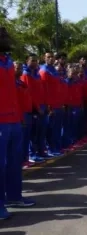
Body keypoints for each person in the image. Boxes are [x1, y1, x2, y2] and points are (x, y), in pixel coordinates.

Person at [0, 27, 35, 220]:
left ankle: (14, 197)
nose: (6, 38)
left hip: (14, 120)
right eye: (2, 36)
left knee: (14, 162)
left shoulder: (8, 61)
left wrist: (20, 117)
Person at [21, 53, 46, 163]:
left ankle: (37, 152)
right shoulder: (26, 74)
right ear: (27, 61)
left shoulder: (37, 74)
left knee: (37, 132)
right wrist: (37, 107)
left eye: (36, 60)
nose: (35, 62)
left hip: (40, 106)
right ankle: (30, 155)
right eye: (32, 60)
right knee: (30, 134)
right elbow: (29, 94)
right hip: (31, 109)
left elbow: (40, 92)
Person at [40, 51, 63, 157]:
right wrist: (49, 106)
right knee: (50, 129)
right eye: (48, 57)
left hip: (58, 104)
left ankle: (56, 148)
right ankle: (50, 149)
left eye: (52, 57)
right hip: (50, 106)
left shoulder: (54, 70)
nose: (51, 59)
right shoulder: (44, 71)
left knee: (56, 128)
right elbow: (45, 91)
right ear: (44, 58)